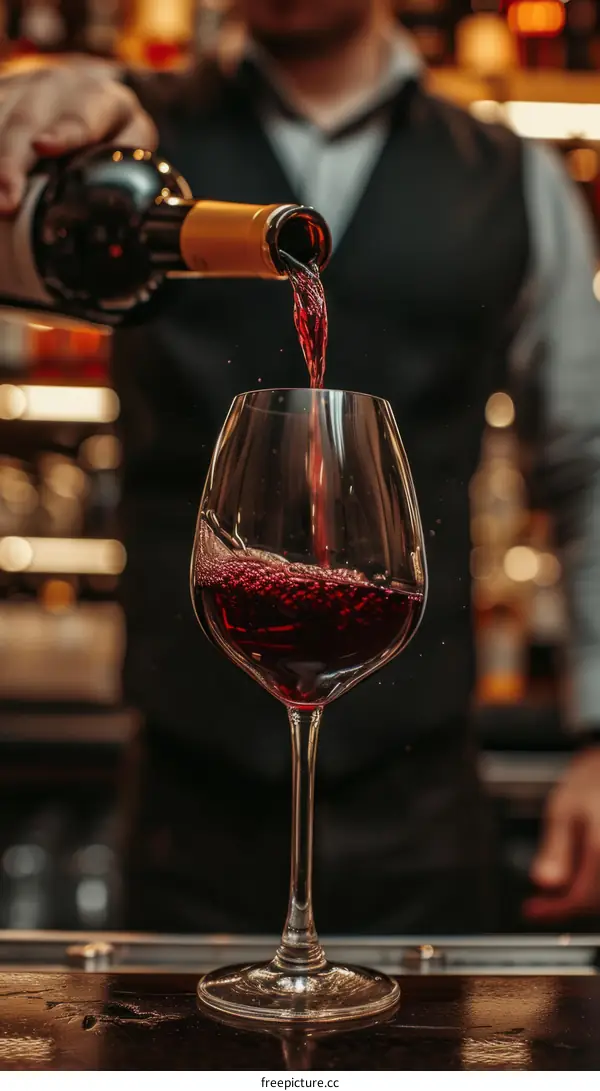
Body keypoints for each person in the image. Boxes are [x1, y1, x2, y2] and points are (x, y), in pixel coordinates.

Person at [1, 0, 600, 933]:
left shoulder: (515, 175)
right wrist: (41, 94)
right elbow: (49, 140)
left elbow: (589, 460)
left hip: (425, 800)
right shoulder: (125, 136)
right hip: (184, 803)